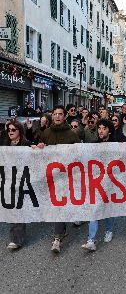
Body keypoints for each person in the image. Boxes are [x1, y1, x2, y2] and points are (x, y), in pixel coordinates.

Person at [32, 105, 80, 253]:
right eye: (55, 114)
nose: (58, 116)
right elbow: (40, 152)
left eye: (60, 114)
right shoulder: (46, 133)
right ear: (52, 116)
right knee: (56, 205)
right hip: (50, 176)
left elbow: (79, 154)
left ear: (64, 116)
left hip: (66, 176)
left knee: (60, 205)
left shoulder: (72, 135)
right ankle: (61, 230)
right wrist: (40, 147)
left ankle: (57, 238)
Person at [81, 119, 116, 251]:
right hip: (97, 181)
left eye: (104, 128)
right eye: (99, 128)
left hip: (112, 182)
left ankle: (109, 230)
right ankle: (91, 240)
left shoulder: (116, 145)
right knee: (94, 209)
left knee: (109, 207)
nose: (101, 131)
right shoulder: (93, 145)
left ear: (109, 131)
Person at [3, 120, 32, 250]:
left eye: (13, 129)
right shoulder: (4, 144)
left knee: (18, 210)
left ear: (20, 131)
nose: (10, 132)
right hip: (6, 181)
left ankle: (16, 239)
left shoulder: (26, 145)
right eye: (9, 130)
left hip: (21, 181)